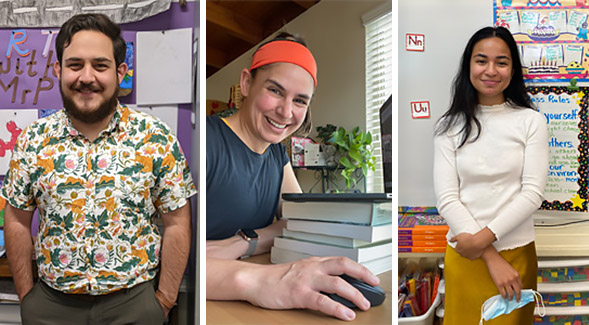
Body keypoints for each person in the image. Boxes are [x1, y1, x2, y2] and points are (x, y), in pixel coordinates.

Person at [1, 13, 196, 324]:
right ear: (58, 70)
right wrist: (28, 298)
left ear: (120, 72)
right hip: (50, 307)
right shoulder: (32, 141)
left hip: (135, 307)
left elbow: (177, 221)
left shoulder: (155, 137)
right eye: (75, 64)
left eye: (100, 65)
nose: (87, 77)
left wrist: (164, 300)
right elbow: (17, 220)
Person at [206, 32, 380, 321]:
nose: (286, 112)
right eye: (275, 90)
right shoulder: (207, 141)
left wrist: (243, 241)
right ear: (247, 83)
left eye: (300, 101)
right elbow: (184, 255)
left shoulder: (277, 154)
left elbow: (299, 223)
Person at [433, 26, 548, 324]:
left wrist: (482, 241)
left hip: (516, 254)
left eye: (502, 62)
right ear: (468, 65)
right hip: (465, 254)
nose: (491, 70)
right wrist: (487, 253)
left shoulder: (531, 121)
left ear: (513, 69)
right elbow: (447, 198)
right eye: (481, 60)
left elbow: (532, 193)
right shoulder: (449, 126)